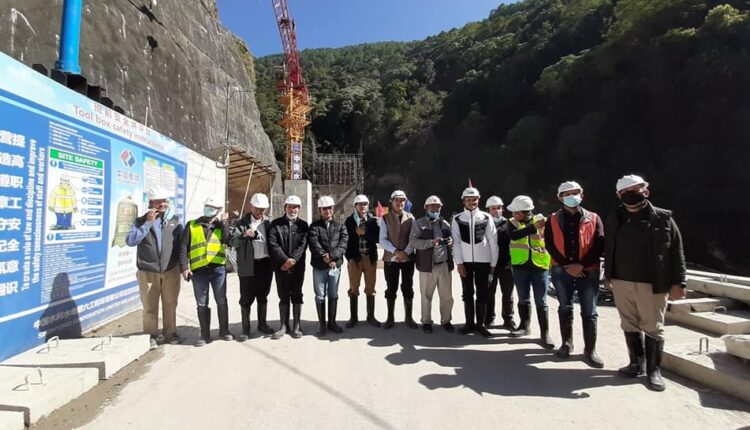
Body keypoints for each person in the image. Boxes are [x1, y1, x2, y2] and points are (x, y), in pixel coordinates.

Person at [604, 174, 686, 391]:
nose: (631, 195)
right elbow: (608, 246)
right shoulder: (614, 218)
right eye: (625, 192)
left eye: (636, 190)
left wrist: (680, 282)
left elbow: (676, 251)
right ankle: (635, 364)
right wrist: (607, 275)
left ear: (646, 191)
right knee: (628, 323)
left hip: (653, 282)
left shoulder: (663, 218)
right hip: (621, 280)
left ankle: (654, 371)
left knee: (653, 326)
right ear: (618, 195)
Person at [545, 181, 605, 368]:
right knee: (565, 307)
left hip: (588, 270)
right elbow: (549, 244)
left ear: (582, 194)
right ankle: (567, 344)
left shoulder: (594, 218)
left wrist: (581, 265)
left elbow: (599, 244)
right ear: (560, 197)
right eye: (567, 194)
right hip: (561, 270)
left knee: (590, 311)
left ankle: (590, 350)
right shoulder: (552, 219)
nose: (571, 197)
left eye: (575, 193)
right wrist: (567, 265)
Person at [126, 187, 183, 349]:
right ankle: (151, 335)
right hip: (148, 271)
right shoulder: (139, 221)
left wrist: (183, 267)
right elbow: (131, 241)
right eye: (159, 202)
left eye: (165, 201)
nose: (163, 204)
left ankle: (170, 333)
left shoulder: (174, 221)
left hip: (170, 270)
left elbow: (181, 246)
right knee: (150, 306)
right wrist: (148, 223)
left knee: (170, 304)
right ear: (151, 203)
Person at [180, 196, 234, 346]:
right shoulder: (192, 225)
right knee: (202, 303)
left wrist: (224, 222)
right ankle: (205, 335)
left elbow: (227, 240)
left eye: (212, 207)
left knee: (221, 301)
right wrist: (184, 268)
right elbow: (183, 248)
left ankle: (224, 331)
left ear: (219, 210)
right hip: (199, 271)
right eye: (207, 206)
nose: (209, 209)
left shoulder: (221, 225)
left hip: (218, 269)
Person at [506, 195, 555, 350]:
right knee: (523, 298)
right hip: (520, 266)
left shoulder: (542, 221)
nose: (514, 214)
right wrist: (533, 227)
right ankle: (524, 326)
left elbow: (551, 240)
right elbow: (514, 235)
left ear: (526, 212)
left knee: (541, 301)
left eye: (517, 212)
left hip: (540, 266)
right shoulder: (511, 222)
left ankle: (545, 334)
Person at [451, 187, 498, 337]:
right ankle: (469, 323)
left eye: (474, 199)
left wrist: (493, 264)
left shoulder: (486, 217)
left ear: (479, 199)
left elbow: (493, 242)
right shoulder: (457, 218)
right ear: (464, 201)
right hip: (465, 262)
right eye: (469, 200)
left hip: (484, 261)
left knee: (482, 292)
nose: (472, 202)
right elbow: (456, 243)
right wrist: (459, 263)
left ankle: (481, 325)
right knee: (467, 292)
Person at [230, 193, 275, 341]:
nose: (259, 212)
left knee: (263, 295)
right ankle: (245, 329)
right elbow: (232, 242)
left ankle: (262, 324)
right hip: (247, 266)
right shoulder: (241, 223)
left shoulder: (268, 224)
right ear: (251, 206)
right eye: (257, 208)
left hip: (265, 265)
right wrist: (243, 235)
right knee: (246, 298)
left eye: (262, 209)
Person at [409, 195, 454, 334]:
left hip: (444, 265)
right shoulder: (418, 223)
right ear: (426, 207)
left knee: (447, 296)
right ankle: (426, 321)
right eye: (432, 206)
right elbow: (413, 242)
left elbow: (452, 240)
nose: (435, 209)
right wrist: (431, 243)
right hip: (427, 266)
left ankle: (446, 320)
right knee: (426, 296)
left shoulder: (445, 223)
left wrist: (450, 241)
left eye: (437, 206)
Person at [268, 195, 309, 339]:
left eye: (295, 207)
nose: (293, 209)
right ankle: (283, 325)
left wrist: (293, 260)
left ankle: (296, 325)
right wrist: (285, 260)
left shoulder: (303, 225)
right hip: (281, 267)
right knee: (283, 295)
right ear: (285, 208)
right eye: (290, 207)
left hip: (297, 267)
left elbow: (303, 245)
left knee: (297, 294)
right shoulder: (276, 224)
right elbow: (273, 244)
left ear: (299, 208)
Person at [308, 196, 348, 336]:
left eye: (330, 208)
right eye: (324, 208)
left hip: (334, 266)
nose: (327, 211)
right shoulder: (314, 226)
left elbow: (343, 244)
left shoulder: (340, 226)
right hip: (319, 266)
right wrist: (324, 256)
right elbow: (314, 244)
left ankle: (332, 322)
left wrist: (332, 257)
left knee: (333, 294)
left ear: (333, 209)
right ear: (320, 210)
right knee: (320, 295)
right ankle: (322, 324)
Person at [380, 190, 418, 329]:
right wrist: (396, 251)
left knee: (407, 287)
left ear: (405, 202)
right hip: (391, 258)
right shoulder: (385, 218)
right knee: (391, 287)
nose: (399, 202)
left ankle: (409, 317)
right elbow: (382, 239)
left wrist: (405, 252)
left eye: (402, 200)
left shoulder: (411, 218)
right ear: (392, 201)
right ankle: (390, 318)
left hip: (408, 258)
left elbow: (413, 237)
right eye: (396, 200)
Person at [343, 194, 381, 328]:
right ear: (355, 206)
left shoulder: (373, 220)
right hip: (355, 258)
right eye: (360, 204)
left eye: (365, 204)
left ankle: (371, 316)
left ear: (368, 205)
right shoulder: (350, 221)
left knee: (370, 288)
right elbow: (345, 241)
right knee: (354, 288)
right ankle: (353, 317)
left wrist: (365, 232)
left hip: (369, 258)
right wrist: (349, 258)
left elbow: (378, 238)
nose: (363, 207)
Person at [485, 195, 516, 330]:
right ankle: (488, 319)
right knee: (489, 293)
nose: (496, 211)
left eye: (499, 208)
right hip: (489, 264)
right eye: (493, 208)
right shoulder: (484, 223)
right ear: (488, 209)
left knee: (508, 294)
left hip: (506, 264)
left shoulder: (510, 223)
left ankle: (508, 319)